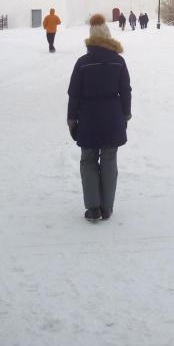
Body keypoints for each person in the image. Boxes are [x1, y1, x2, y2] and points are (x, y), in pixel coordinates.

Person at [67, 14, 131, 222]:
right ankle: (107, 207)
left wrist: (72, 119)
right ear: (108, 36)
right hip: (112, 116)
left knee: (88, 160)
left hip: (88, 118)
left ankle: (93, 208)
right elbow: (126, 91)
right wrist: (125, 114)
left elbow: (74, 93)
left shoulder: (82, 63)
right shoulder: (118, 62)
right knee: (110, 160)